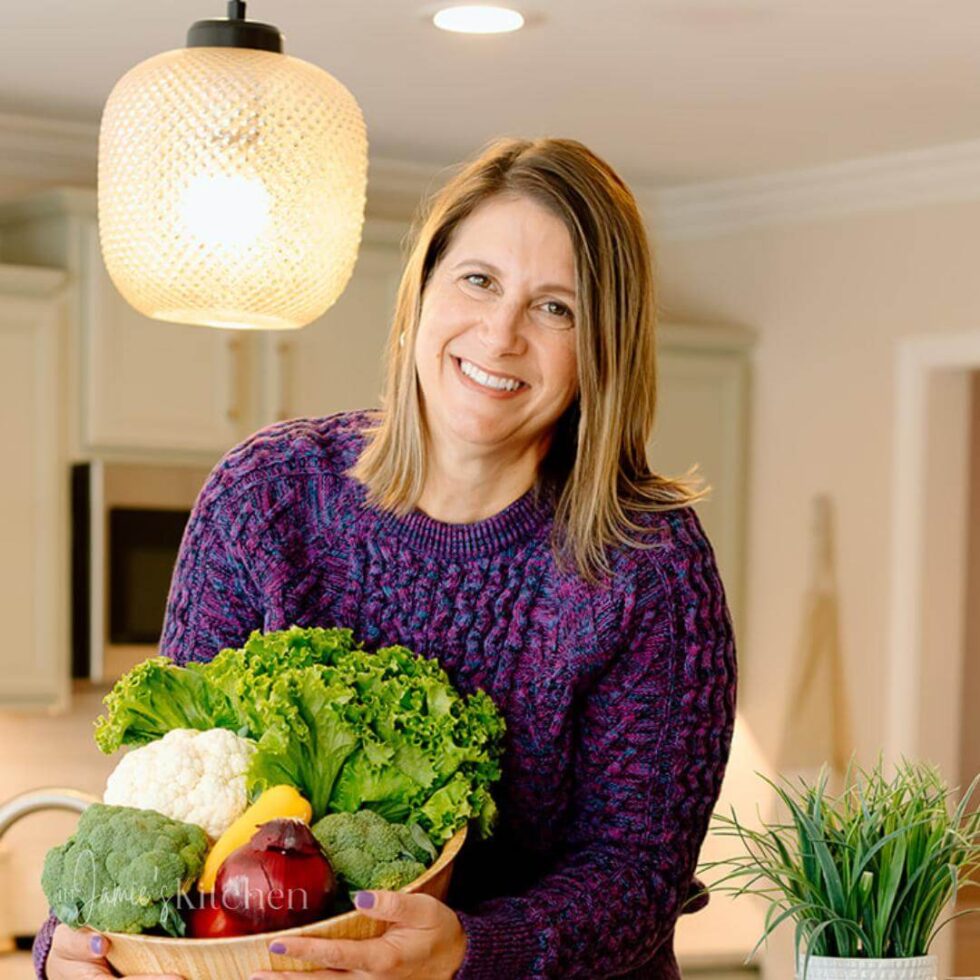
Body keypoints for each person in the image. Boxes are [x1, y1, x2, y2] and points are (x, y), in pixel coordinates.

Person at [36, 135, 737, 979]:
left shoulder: (647, 564)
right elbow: (172, 798)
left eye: (559, 308)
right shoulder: (269, 495)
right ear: (417, 301)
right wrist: (72, 942)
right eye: (478, 281)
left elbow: (638, 877)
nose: (502, 333)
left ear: (604, 352)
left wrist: (473, 950)